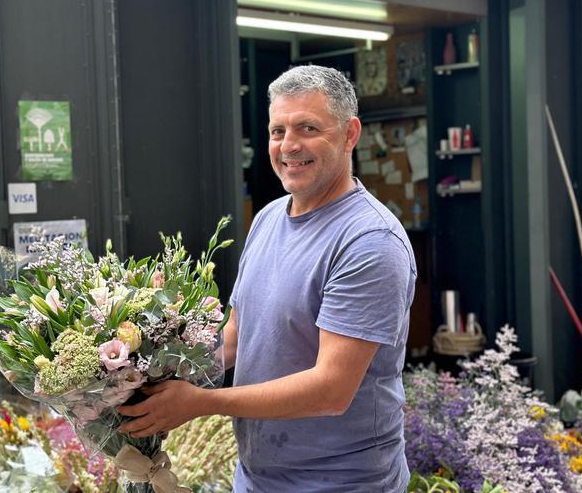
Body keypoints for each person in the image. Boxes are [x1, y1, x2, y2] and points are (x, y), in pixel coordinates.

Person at [118, 65, 416, 492]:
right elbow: (239, 335)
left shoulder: (370, 242)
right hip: (258, 479)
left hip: (342, 483)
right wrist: (147, 379)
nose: (289, 146)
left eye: (308, 128)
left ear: (350, 134)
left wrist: (200, 403)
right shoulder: (269, 218)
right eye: (278, 132)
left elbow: (331, 390)